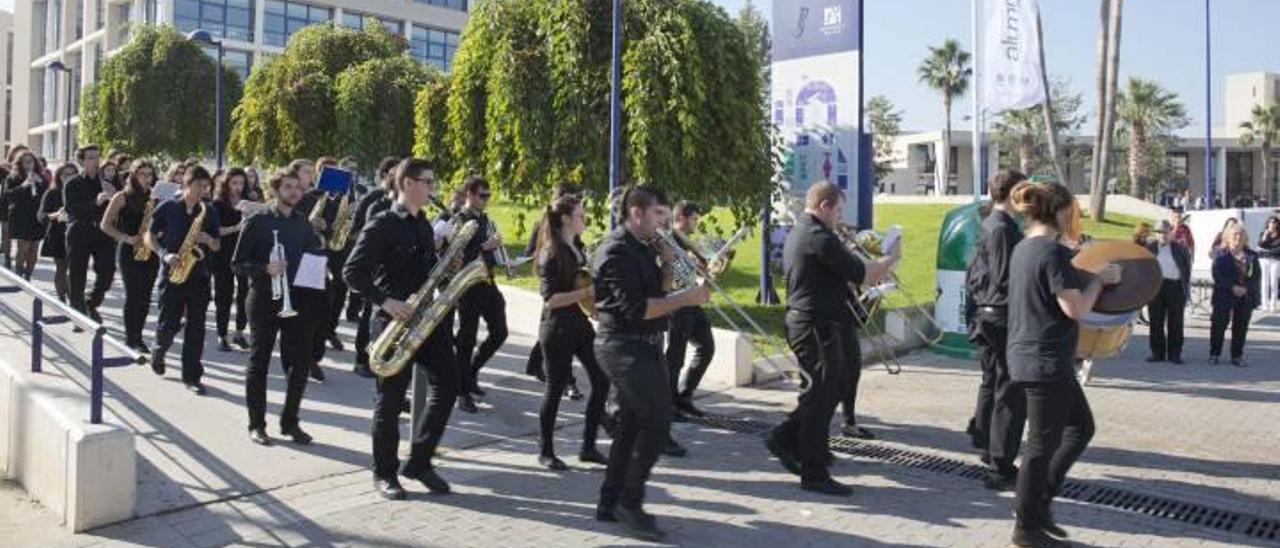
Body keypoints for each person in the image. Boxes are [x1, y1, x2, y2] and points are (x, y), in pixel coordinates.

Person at [765, 181, 899, 498]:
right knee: (819, 396)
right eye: (838, 210)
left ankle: (787, 438)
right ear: (823, 206)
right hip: (813, 325)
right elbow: (864, 274)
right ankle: (813, 471)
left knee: (834, 387)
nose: (840, 217)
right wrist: (891, 257)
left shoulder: (813, 232)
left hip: (824, 323)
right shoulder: (816, 236)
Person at [1006, 181, 1121, 547]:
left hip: (1028, 356)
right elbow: (1075, 308)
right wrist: (1100, 282)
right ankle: (1026, 527)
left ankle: (1039, 504)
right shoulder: (1052, 254)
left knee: (1080, 427)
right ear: (1058, 211)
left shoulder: (1024, 248)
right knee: (1040, 447)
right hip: (1046, 362)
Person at [592, 184, 709, 540]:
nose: (663, 223)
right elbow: (638, 309)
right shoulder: (615, 252)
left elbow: (656, 293)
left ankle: (609, 500)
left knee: (630, 424)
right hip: (622, 346)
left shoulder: (645, 248)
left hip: (645, 344)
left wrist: (669, 266)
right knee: (657, 421)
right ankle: (631, 500)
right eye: (658, 214)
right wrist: (687, 297)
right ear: (636, 213)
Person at [344, 158, 459, 500]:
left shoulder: (424, 225)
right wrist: (386, 302)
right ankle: (384, 473)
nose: (431, 189)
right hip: (394, 323)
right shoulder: (382, 224)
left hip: (426, 319)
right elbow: (353, 272)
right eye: (427, 182)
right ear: (407, 183)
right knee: (390, 400)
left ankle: (420, 461)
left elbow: (424, 271)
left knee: (450, 383)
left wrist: (446, 266)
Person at [234, 168, 325, 446]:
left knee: (299, 365)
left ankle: (290, 421)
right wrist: (265, 268)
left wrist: (320, 263)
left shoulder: (303, 224)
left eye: (298, 188)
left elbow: (312, 255)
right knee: (259, 361)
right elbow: (237, 264)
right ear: (275, 190)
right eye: (288, 187)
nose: (295, 192)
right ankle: (257, 424)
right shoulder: (258, 221)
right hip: (264, 298)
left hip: (298, 300)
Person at [533, 194, 610, 470]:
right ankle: (546, 451)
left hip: (579, 324)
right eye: (580, 214)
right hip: (556, 327)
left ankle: (588, 447)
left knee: (602, 380)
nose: (584, 219)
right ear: (565, 218)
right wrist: (587, 292)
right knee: (554, 389)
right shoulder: (550, 253)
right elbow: (551, 298)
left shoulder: (578, 246)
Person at [964, 169, 1027, 491]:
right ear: (1014, 193)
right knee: (1009, 389)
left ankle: (987, 444)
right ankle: (1000, 462)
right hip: (1001, 315)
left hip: (989, 314)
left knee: (994, 381)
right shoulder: (1002, 227)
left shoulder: (992, 223)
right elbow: (1004, 278)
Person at [146, 166, 221, 395]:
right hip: (172, 273)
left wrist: (208, 239)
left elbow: (217, 245)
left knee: (197, 327)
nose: (203, 191)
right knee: (169, 322)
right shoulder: (168, 207)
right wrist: (164, 255)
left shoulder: (209, 211)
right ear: (187, 185)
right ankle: (159, 349)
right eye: (199, 186)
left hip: (199, 275)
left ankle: (192, 376)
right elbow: (149, 236)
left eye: (206, 187)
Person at [451, 176, 509, 413]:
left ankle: (472, 372)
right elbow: (454, 255)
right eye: (482, 195)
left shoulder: (485, 220)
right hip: (467, 286)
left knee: (500, 331)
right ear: (469, 195)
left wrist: (502, 259)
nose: (485, 200)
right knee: (466, 339)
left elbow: (490, 255)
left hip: (487, 282)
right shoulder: (459, 220)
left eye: (488, 196)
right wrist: (485, 247)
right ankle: (461, 391)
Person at [100, 160, 161, 354]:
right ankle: (130, 337)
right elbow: (105, 225)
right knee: (134, 295)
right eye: (142, 174)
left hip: (151, 251)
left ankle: (139, 337)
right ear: (133, 175)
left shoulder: (156, 197)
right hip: (128, 251)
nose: (146, 178)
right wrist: (126, 238)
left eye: (149, 174)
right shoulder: (122, 196)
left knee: (145, 296)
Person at [665, 201, 716, 421]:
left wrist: (705, 272)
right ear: (681, 219)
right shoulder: (669, 241)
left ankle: (685, 397)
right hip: (677, 305)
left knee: (707, 347)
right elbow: (671, 275)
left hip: (692, 302)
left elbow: (695, 274)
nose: (697, 223)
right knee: (675, 356)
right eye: (694, 218)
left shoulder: (689, 243)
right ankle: (669, 403)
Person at [350, 157, 400, 378]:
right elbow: (363, 232)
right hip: (373, 266)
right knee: (369, 312)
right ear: (387, 175)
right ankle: (361, 359)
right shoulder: (375, 201)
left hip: (392, 270)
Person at [63, 145, 117, 322]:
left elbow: (118, 209)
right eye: (91, 158)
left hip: (102, 232)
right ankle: (77, 316)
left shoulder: (106, 183)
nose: (95, 161)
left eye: (97, 157)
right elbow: (71, 209)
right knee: (77, 275)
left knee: (107, 273)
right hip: (79, 231)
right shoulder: (72, 183)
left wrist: (115, 198)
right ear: (81, 162)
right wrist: (95, 202)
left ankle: (91, 302)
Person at [211, 168, 252, 352]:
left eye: (241, 183)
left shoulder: (248, 202)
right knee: (223, 295)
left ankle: (239, 333)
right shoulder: (217, 204)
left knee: (244, 294)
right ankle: (222, 335)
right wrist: (237, 227)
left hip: (244, 254)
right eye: (234, 183)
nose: (238, 187)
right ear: (226, 184)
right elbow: (215, 230)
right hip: (223, 255)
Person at [1209, 224, 1261, 367]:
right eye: (1235, 234)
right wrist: (1232, 287)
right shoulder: (1220, 255)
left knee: (1241, 327)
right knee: (1219, 325)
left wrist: (1246, 288)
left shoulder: (1252, 256)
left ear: (1245, 237)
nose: (1238, 237)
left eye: (1241, 234)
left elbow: (1256, 276)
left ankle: (1237, 356)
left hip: (1245, 296)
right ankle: (1214, 353)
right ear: (1228, 237)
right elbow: (1217, 275)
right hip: (1224, 294)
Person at [1144, 220, 1192, 364]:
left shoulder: (1180, 248)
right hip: (1157, 286)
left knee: (1176, 322)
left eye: (1165, 232)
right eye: (1159, 232)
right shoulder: (1150, 248)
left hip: (1175, 286)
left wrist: (1186, 290)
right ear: (1155, 234)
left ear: (1171, 233)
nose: (1162, 235)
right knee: (1156, 322)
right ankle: (1157, 353)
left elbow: (1186, 270)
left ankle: (1175, 354)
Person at [3, 151, 48, 280]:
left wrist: (40, 184)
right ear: (20, 163)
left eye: (31, 161)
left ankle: (27, 276)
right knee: (23, 248)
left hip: (36, 218)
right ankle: (18, 273)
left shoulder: (41, 178)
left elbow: (46, 196)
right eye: (26, 161)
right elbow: (8, 196)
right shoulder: (12, 178)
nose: (29, 164)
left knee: (34, 252)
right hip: (21, 217)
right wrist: (24, 185)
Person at [39, 163, 77, 303]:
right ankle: (62, 300)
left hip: (76, 235)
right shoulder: (52, 192)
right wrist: (55, 215)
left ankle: (73, 298)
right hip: (57, 235)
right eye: (66, 174)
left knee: (74, 269)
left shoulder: (79, 191)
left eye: (73, 174)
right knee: (62, 268)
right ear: (59, 176)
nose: (69, 177)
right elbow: (41, 216)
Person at [1257, 216, 1280, 313]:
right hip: (1264, 260)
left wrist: (1266, 252)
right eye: (1270, 222)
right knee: (1264, 282)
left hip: (1275, 260)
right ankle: (1264, 304)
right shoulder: (1263, 233)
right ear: (1268, 223)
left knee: (1273, 282)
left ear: (1277, 224)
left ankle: (1273, 305)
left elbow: (1278, 250)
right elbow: (1260, 245)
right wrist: (1265, 236)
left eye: (1274, 222)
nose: (1272, 224)